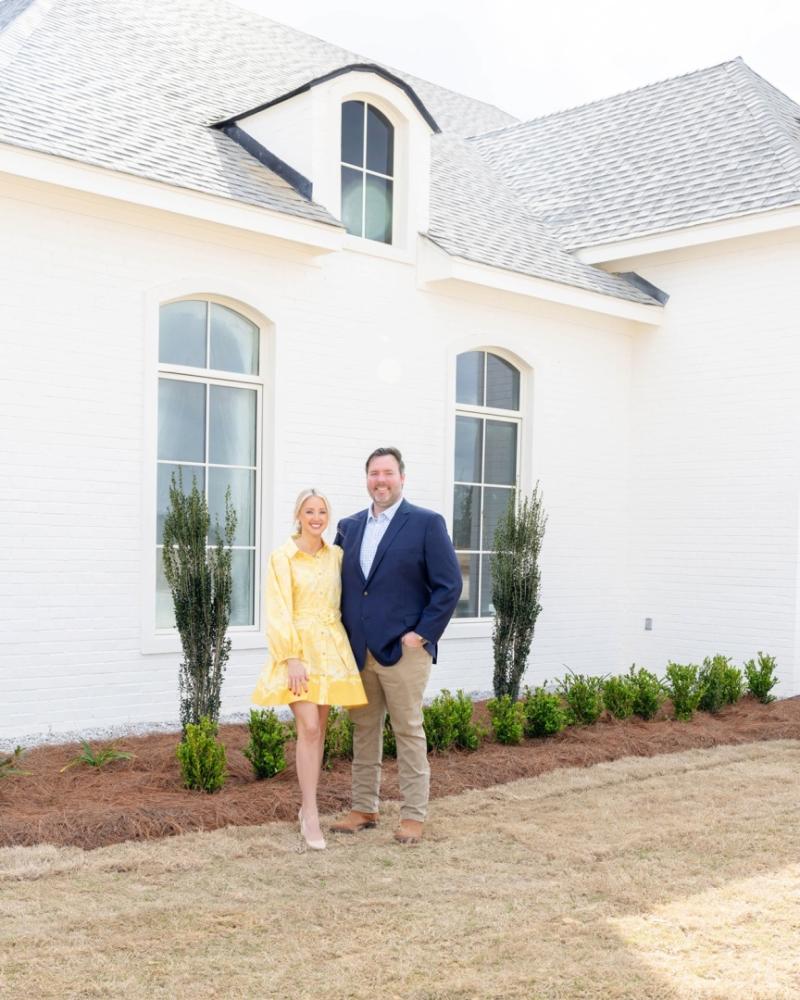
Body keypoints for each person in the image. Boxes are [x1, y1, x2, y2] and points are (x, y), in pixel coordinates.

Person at [330, 447, 462, 845]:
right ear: (366, 479)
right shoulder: (349, 527)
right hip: (359, 651)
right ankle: (363, 808)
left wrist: (422, 633)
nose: (380, 480)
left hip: (405, 651)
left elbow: (449, 585)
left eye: (387, 473)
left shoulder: (426, 524)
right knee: (363, 731)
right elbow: (341, 587)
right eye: (374, 473)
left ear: (402, 477)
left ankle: (413, 816)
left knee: (408, 731)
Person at [252, 489, 367, 851]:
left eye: (322, 512)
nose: (316, 518)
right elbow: (278, 610)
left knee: (318, 733)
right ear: (298, 516)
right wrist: (291, 657)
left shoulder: (336, 556)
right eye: (309, 511)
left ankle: (307, 807)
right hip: (298, 653)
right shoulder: (282, 557)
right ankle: (311, 813)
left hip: (330, 650)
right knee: (310, 726)